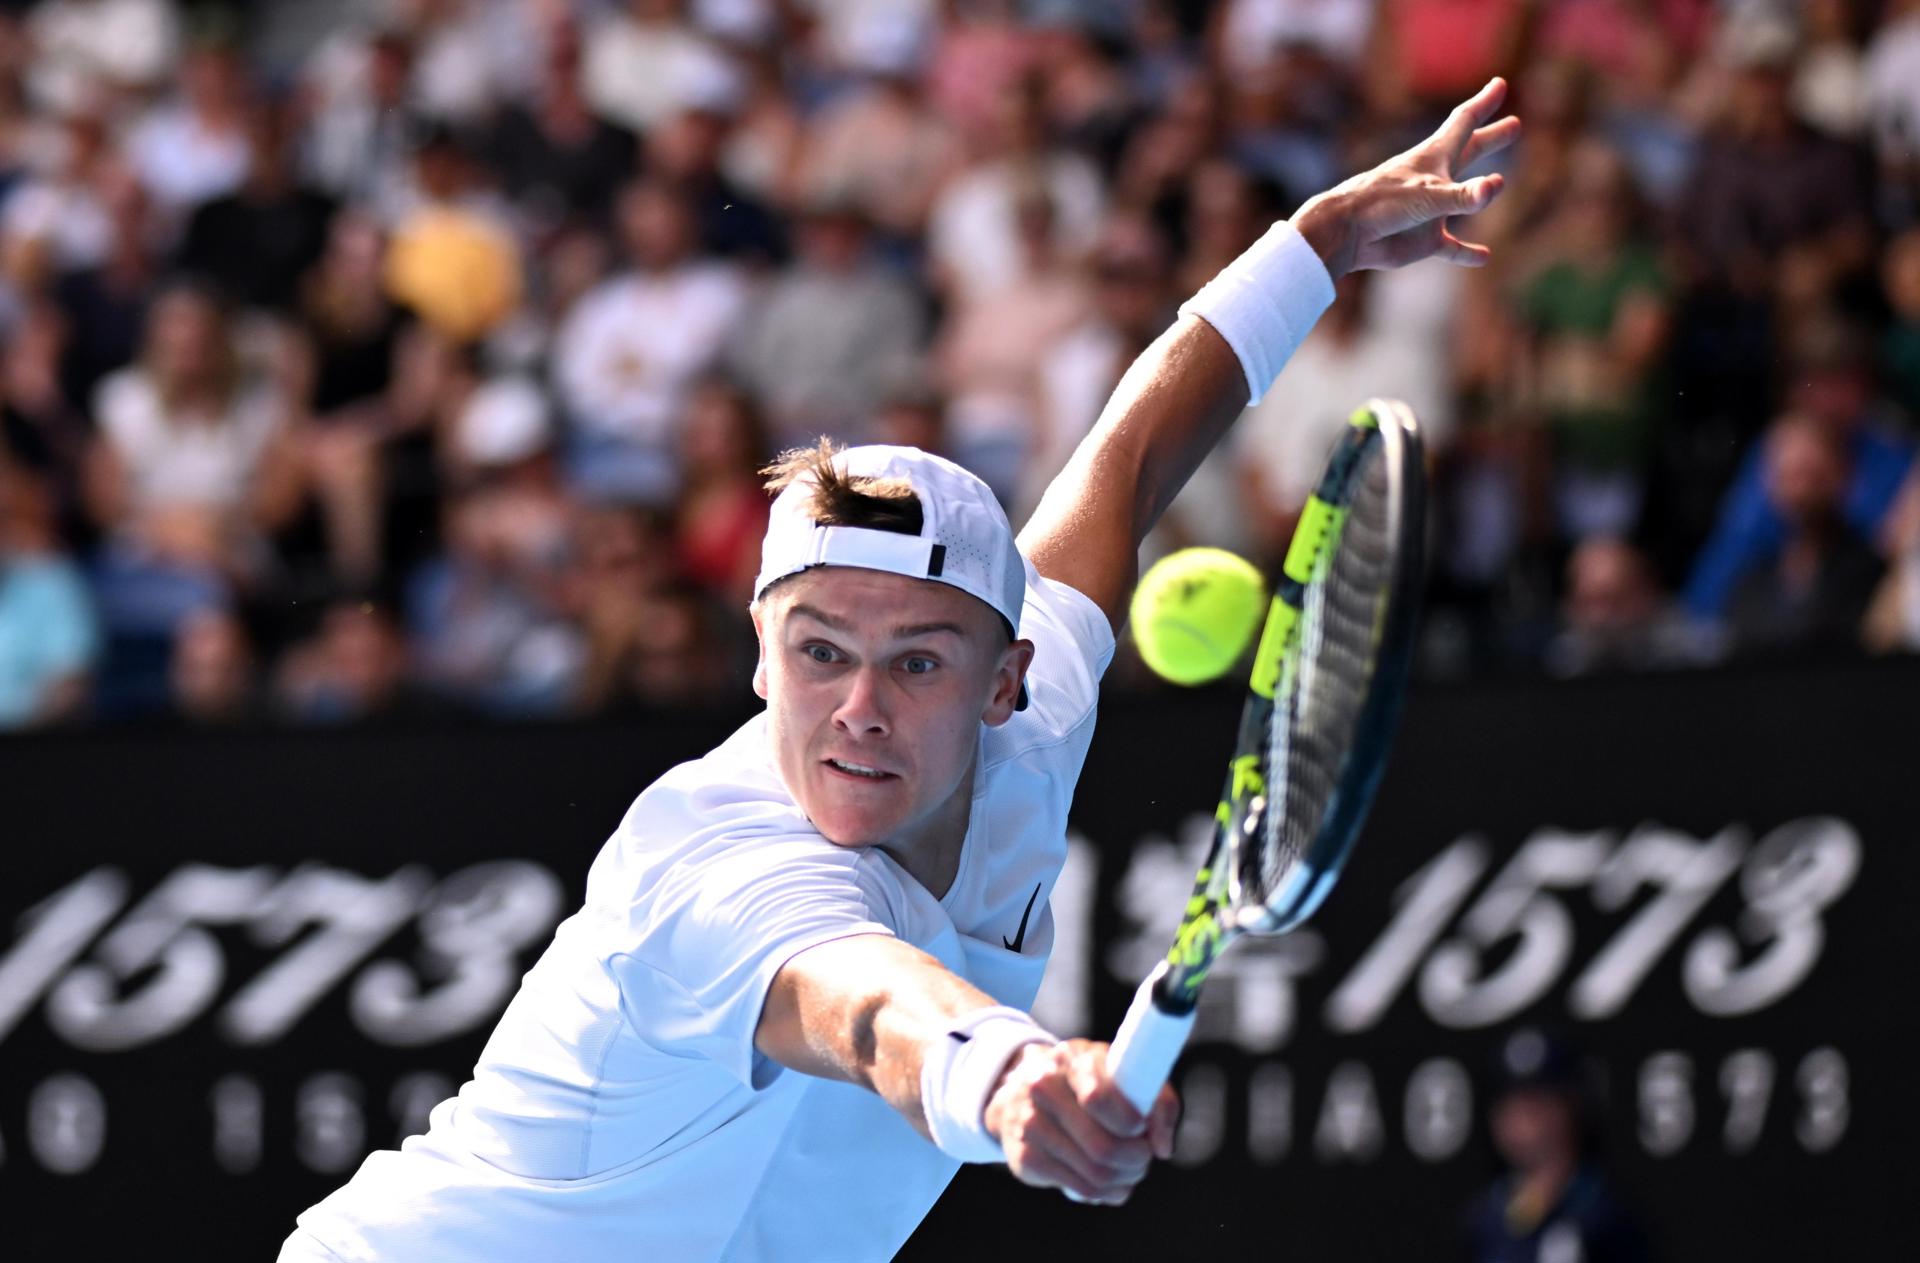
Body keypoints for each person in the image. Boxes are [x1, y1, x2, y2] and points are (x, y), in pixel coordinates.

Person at [280, 80, 1520, 1263]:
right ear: (761, 660)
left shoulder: (1042, 713)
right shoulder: (717, 863)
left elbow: (1132, 456)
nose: (860, 712)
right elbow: (873, 1010)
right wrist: (1009, 1072)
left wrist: (1321, 239)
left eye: (919, 662)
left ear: (1005, 679)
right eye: (820, 652)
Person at [1464, 1029, 1652, 1263]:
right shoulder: (1486, 1217)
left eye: (1536, 1108)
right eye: (1510, 1108)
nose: (1523, 1123)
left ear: (1572, 1110)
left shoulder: (1606, 1215)